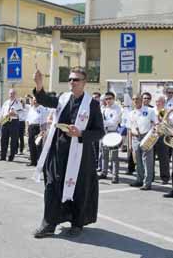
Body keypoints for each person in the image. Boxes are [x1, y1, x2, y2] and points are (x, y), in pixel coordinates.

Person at [32, 67, 104, 238]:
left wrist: (81, 133)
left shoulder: (92, 105)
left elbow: (100, 132)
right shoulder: (63, 99)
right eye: (70, 79)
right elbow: (44, 99)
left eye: (76, 79)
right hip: (58, 151)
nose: (72, 82)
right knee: (51, 186)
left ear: (84, 83)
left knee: (79, 188)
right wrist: (39, 84)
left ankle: (77, 223)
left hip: (80, 153)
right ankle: (48, 224)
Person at [128, 94, 158, 190]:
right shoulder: (131, 113)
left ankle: (147, 183)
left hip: (146, 136)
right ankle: (139, 180)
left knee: (147, 161)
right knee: (138, 161)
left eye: (137, 99)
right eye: (134, 99)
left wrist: (152, 134)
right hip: (136, 138)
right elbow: (130, 128)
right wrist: (130, 143)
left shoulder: (149, 111)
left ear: (142, 100)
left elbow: (156, 123)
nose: (135, 101)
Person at [99, 92, 121, 183]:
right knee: (104, 154)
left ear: (113, 98)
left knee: (114, 156)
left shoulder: (117, 109)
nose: (108, 100)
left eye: (110, 98)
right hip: (104, 132)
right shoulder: (103, 109)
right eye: (106, 99)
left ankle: (115, 175)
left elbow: (113, 122)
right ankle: (104, 172)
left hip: (113, 133)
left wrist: (103, 123)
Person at [152, 94, 171, 184]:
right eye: (156, 101)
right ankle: (150, 176)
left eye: (159, 101)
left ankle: (165, 177)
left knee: (164, 158)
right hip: (152, 135)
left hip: (162, 136)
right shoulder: (151, 110)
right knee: (150, 157)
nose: (157, 103)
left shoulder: (167, 111)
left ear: (164, 102)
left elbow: (168, 124)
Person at [0, 89, 23, 162]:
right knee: (3, 139)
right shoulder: (6, 103)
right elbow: (2, 112)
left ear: (15, 95)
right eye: (10, 93)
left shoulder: (18, 103)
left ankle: (11, 157)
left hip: (14, 122)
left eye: (13, 93)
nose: (11, 95)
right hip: (5, 121)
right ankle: (3, 156)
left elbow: (21, 114)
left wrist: (14, 114)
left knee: (13, 140)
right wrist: (0, 120)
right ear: (8, 94)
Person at [26, 96, 48, 167]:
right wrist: (27, 129)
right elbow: (28, 120)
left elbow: (44, 122)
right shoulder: (31, 108)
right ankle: (33, 161)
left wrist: (42, 131)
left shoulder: (42, 109)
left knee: (38, 146)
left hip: (38, 128)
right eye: (34, 100)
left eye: (36, 100)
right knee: (31, 145)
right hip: (31, 128)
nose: (35, 101)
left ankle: (40, 163)